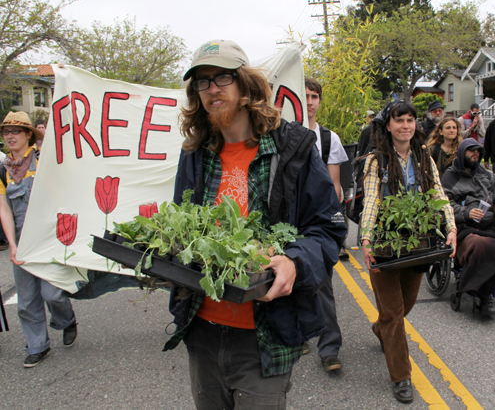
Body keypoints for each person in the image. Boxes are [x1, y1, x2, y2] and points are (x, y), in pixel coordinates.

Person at [164, 39, 347, 409]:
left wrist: (294, 261)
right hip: (202, 328)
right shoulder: (196, 155)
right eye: (202, 81)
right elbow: (183, 227)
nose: (212, 88)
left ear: (246, 84)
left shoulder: (293, 148)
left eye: (222, 78)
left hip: (266, 332)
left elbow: (328, 228)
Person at [360, 100, 457, 404]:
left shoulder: (423, 156)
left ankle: (381, 330)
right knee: (393, 312)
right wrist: (365, 238)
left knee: (405, 307)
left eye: (410, 120)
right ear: (388, 125)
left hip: (420, 241)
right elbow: (373, 201)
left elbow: (438, 192)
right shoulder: (376, 160)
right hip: (386, 244)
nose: (405, 125)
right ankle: (401, 376)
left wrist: (451, 226)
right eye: (399, 120)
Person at [0, 111, 77, 368]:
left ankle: (66, 320)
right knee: (27, 297)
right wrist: (12, 244)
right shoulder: (2, 169)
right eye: (6, 132)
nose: (9, 136)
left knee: (52, 292)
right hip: (21, 240)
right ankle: (37, 346)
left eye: (15, 131)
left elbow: (61, 195)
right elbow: (4, 209)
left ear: (28, 135)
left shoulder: (45, 160)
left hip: (48, 237)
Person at [441, 138, 495, 315]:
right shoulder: (450, 177)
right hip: (464, 228)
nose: (475, 154)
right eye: (471, 151)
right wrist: (466, 212)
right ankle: (493, 293)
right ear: (463, 153)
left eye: (478, 151)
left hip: (489, 225)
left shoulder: (487, 175)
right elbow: (444, 205)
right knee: (485, 245)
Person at [303, 77, 348, 371]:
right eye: (304, 95)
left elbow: (334, 186)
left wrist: (332, 226)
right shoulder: (279, 134)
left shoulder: (329, 139)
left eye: (314, 96)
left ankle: (329, 347)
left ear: (320, 101)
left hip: (317, 219)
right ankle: (295, 333)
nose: (309, 102)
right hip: (286, 219)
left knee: (323, 283)